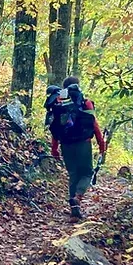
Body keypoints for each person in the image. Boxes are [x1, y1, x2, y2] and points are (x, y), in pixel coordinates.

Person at [50, 76, 106, 219]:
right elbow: (94, 124)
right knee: (87, 173)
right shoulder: (85, 103)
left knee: (73, 174)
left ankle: (74, 210)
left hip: (65, 144)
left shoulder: (58, 103)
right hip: (83, 143)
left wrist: (54, 148)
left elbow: (55, 127)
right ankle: (78, 197)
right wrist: (101, 144)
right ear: (78, 86)